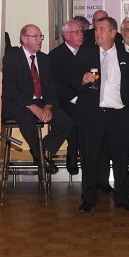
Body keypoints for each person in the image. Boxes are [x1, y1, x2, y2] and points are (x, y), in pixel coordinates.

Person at [72, 17, 129, 212]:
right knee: (89, 158)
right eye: (96, 29)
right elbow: (69, 80)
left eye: (101, 29)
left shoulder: (126, 55)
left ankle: (123, 197)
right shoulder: (85, 53)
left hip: (119, 114)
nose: (97, 33)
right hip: (93, 114)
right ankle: (89, 198)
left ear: (113, 33)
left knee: (120, 158)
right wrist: (81, 80)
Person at [2, 24, 72, 174]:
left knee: (66, 122)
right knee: (27, 118)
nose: (40, 40)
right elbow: (11, 89)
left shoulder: (44, 59)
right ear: (24, 39)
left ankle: (39, 151)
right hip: (19, 103)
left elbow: (52, 86)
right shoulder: (12, 58)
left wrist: (48, 107)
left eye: (41, 36)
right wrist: (33, 107)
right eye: (36, 36)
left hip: (41, 101)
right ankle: (40, 157)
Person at [49, 19, 85, 175]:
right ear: (66, 35)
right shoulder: (56, 55)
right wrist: (74, 98)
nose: (81, 34)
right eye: (76, 32)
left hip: (86, 97)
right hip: (64, 100)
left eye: (81, 31)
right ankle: (72, 155)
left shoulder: (88, 51)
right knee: (73, 115)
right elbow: (56, 83)